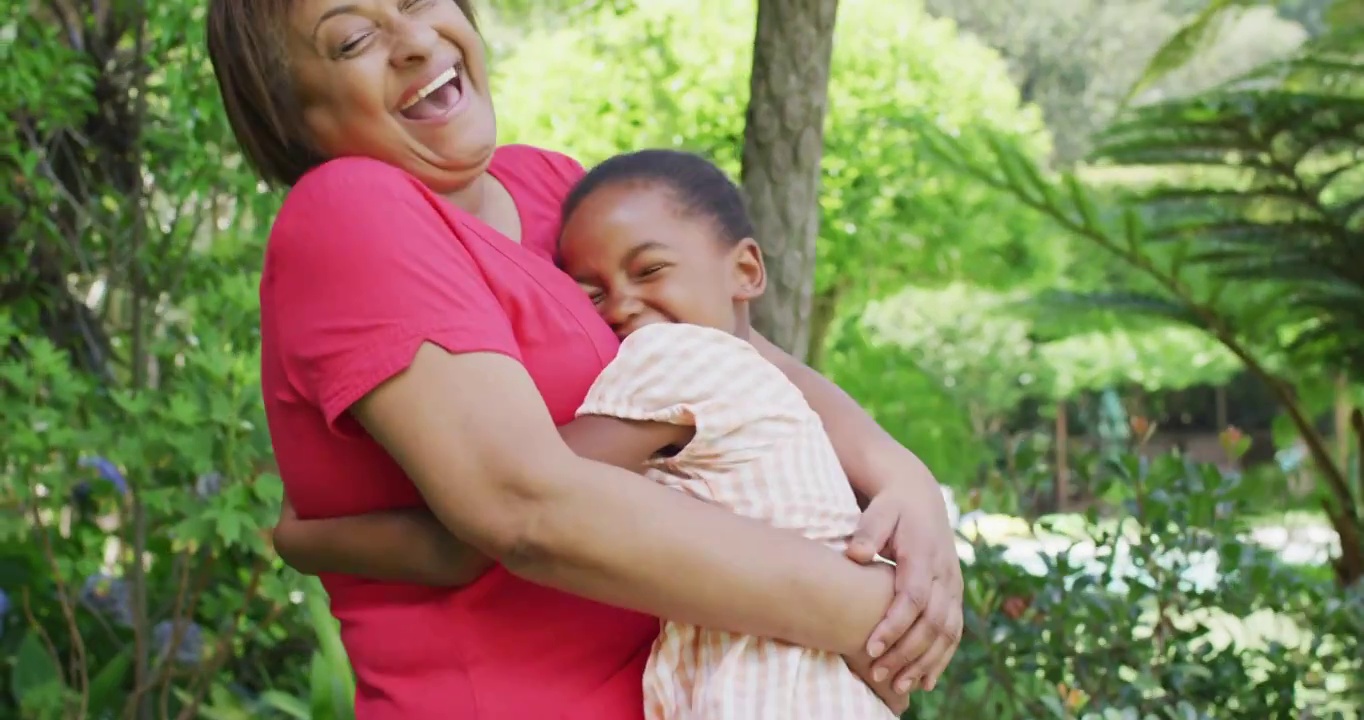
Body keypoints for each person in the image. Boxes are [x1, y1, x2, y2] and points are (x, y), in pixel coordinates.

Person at [206, 2, 963, 718]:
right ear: (290, 116)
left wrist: (902, 477)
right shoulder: (352, 206)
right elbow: (526, 507)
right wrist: (871, 613)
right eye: (351, 40)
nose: (411, 39)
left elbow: (732, 353)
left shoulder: (555, 189)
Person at [280, 148, 902, 720]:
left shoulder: (677, 365)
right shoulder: (758, 381)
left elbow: (519, 499)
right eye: (593, 292)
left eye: (649, 271)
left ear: (745, 269)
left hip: (768, 688)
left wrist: (312, 539)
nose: (621, 305)